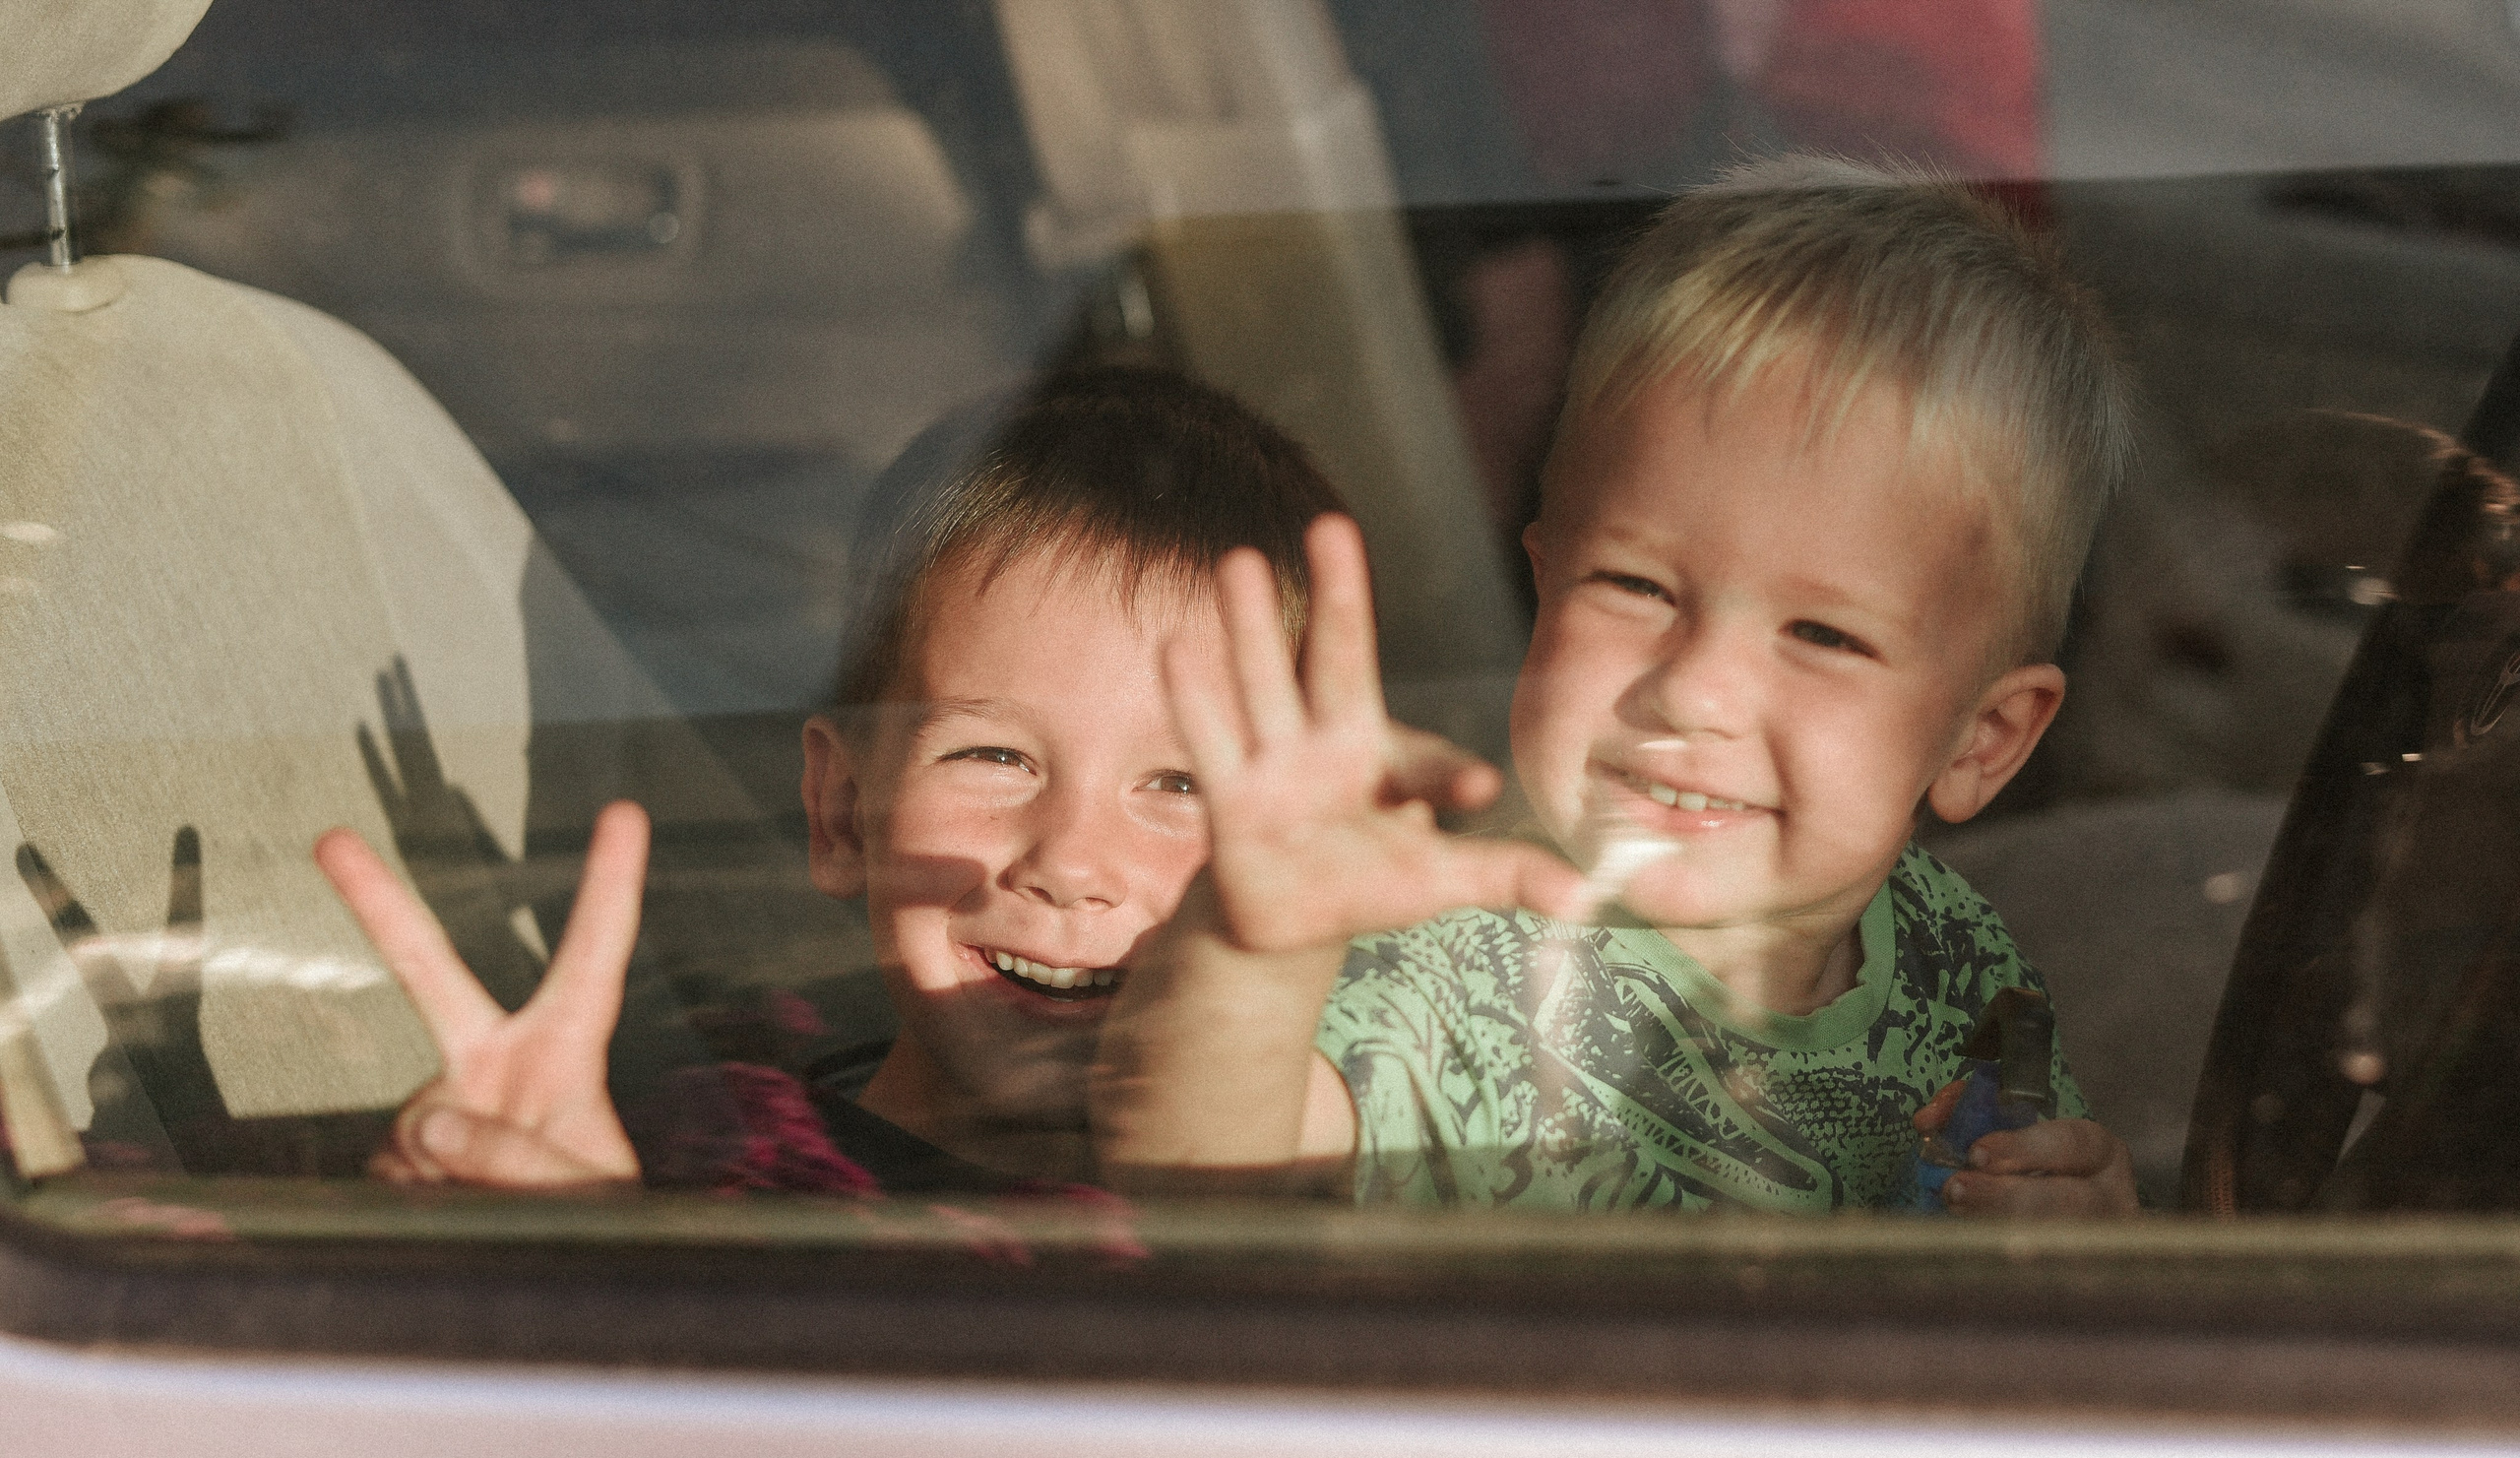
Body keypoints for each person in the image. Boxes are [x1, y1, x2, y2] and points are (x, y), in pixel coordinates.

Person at [1091, 164, 2142, 1215]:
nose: (1694, 691)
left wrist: (2080, 1218)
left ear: (1982, 739)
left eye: (1822, 633)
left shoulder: (1960, 955)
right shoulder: (1446, 952)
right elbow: (1199, 1187)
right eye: (1634, 585)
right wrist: (1251, 961)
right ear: (1543, 581)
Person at [315, 366, 1337, 1194]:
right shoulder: (743, 1173)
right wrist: (579, 1250)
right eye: (994, 757)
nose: (1069, 864)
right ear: (844, 812)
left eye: (1180, 782)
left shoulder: (1354, 1138)